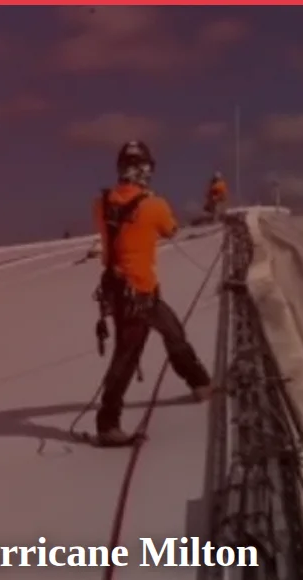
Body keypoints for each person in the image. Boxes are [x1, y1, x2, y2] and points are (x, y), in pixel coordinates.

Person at [91, 140, 216, 447]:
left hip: (122, 290)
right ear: (145, 170)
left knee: (173, 331)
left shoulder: (102, 203)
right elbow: (171, 230)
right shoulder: (154, 205)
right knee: (127, 357)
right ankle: (108, 425)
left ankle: (200, 383)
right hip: (139, 290)